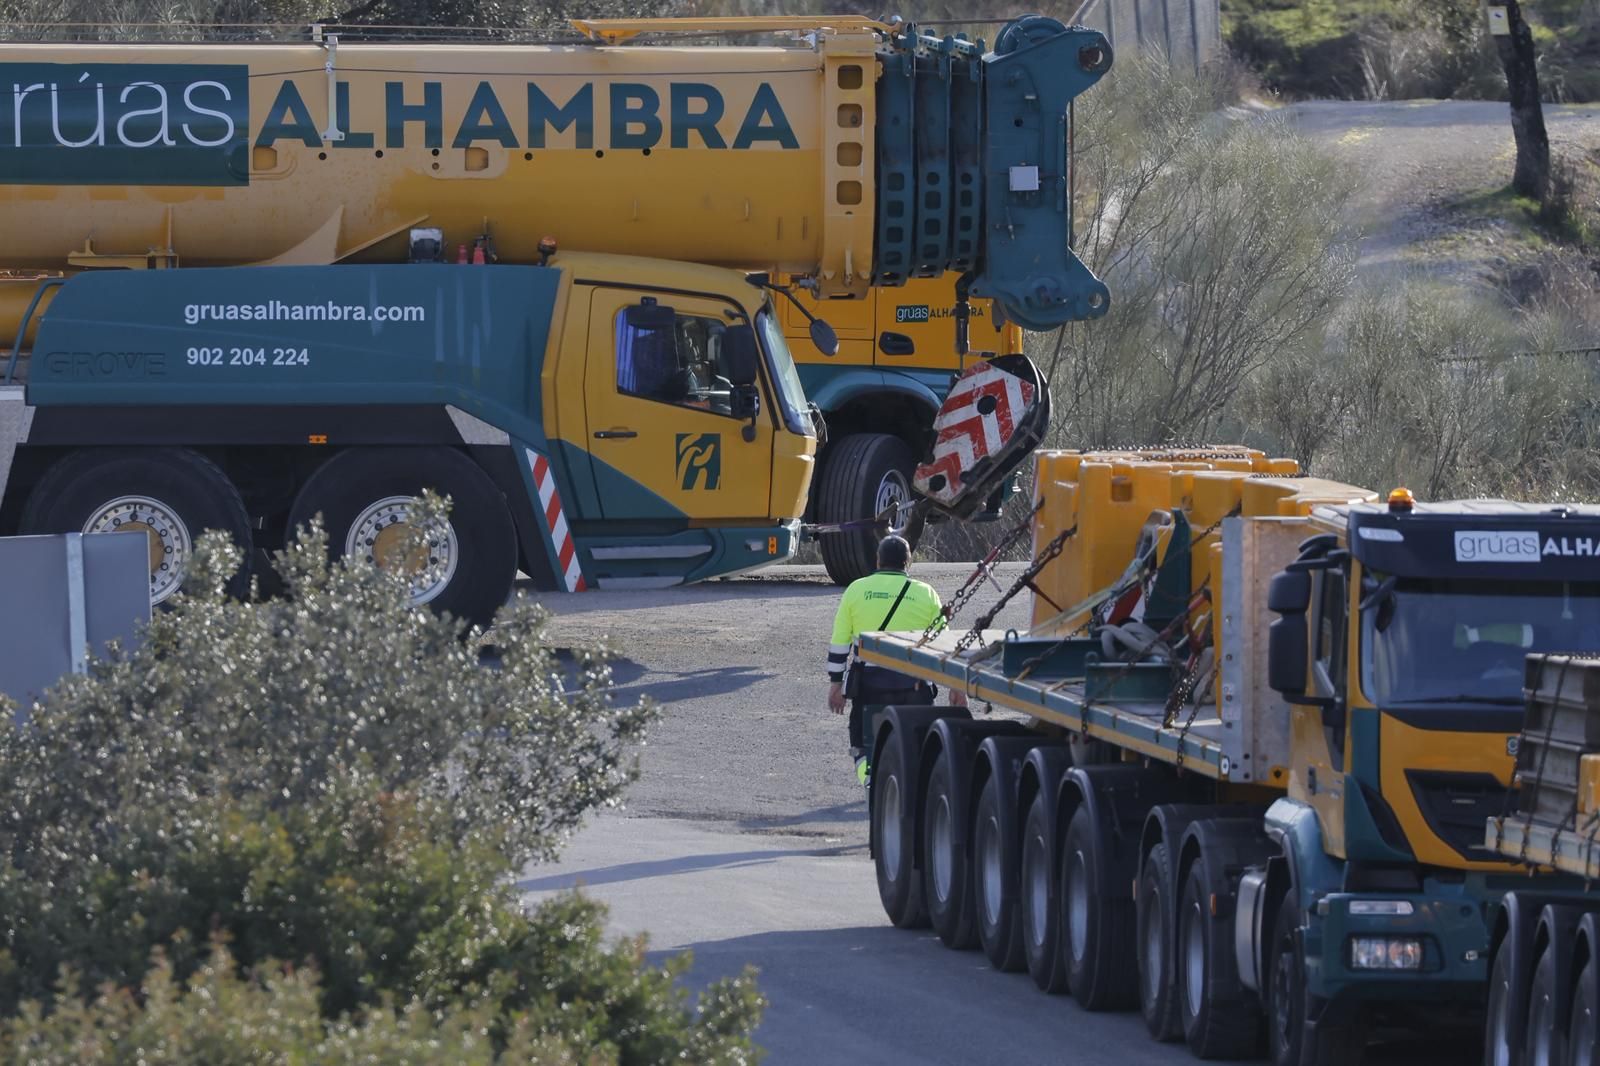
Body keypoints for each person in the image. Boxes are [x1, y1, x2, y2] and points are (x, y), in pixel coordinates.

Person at [827, 534, 965, 787]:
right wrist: (956, 686)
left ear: (878, 560)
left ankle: (871, 782)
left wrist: (836, 684)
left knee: (862, 743)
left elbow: (839, 644)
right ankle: (915, 787)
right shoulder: (926, 594)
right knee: (920, 743)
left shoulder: (856, 590)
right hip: (915, 688)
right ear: (908, 562)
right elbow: (945, 646)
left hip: (869, 687)